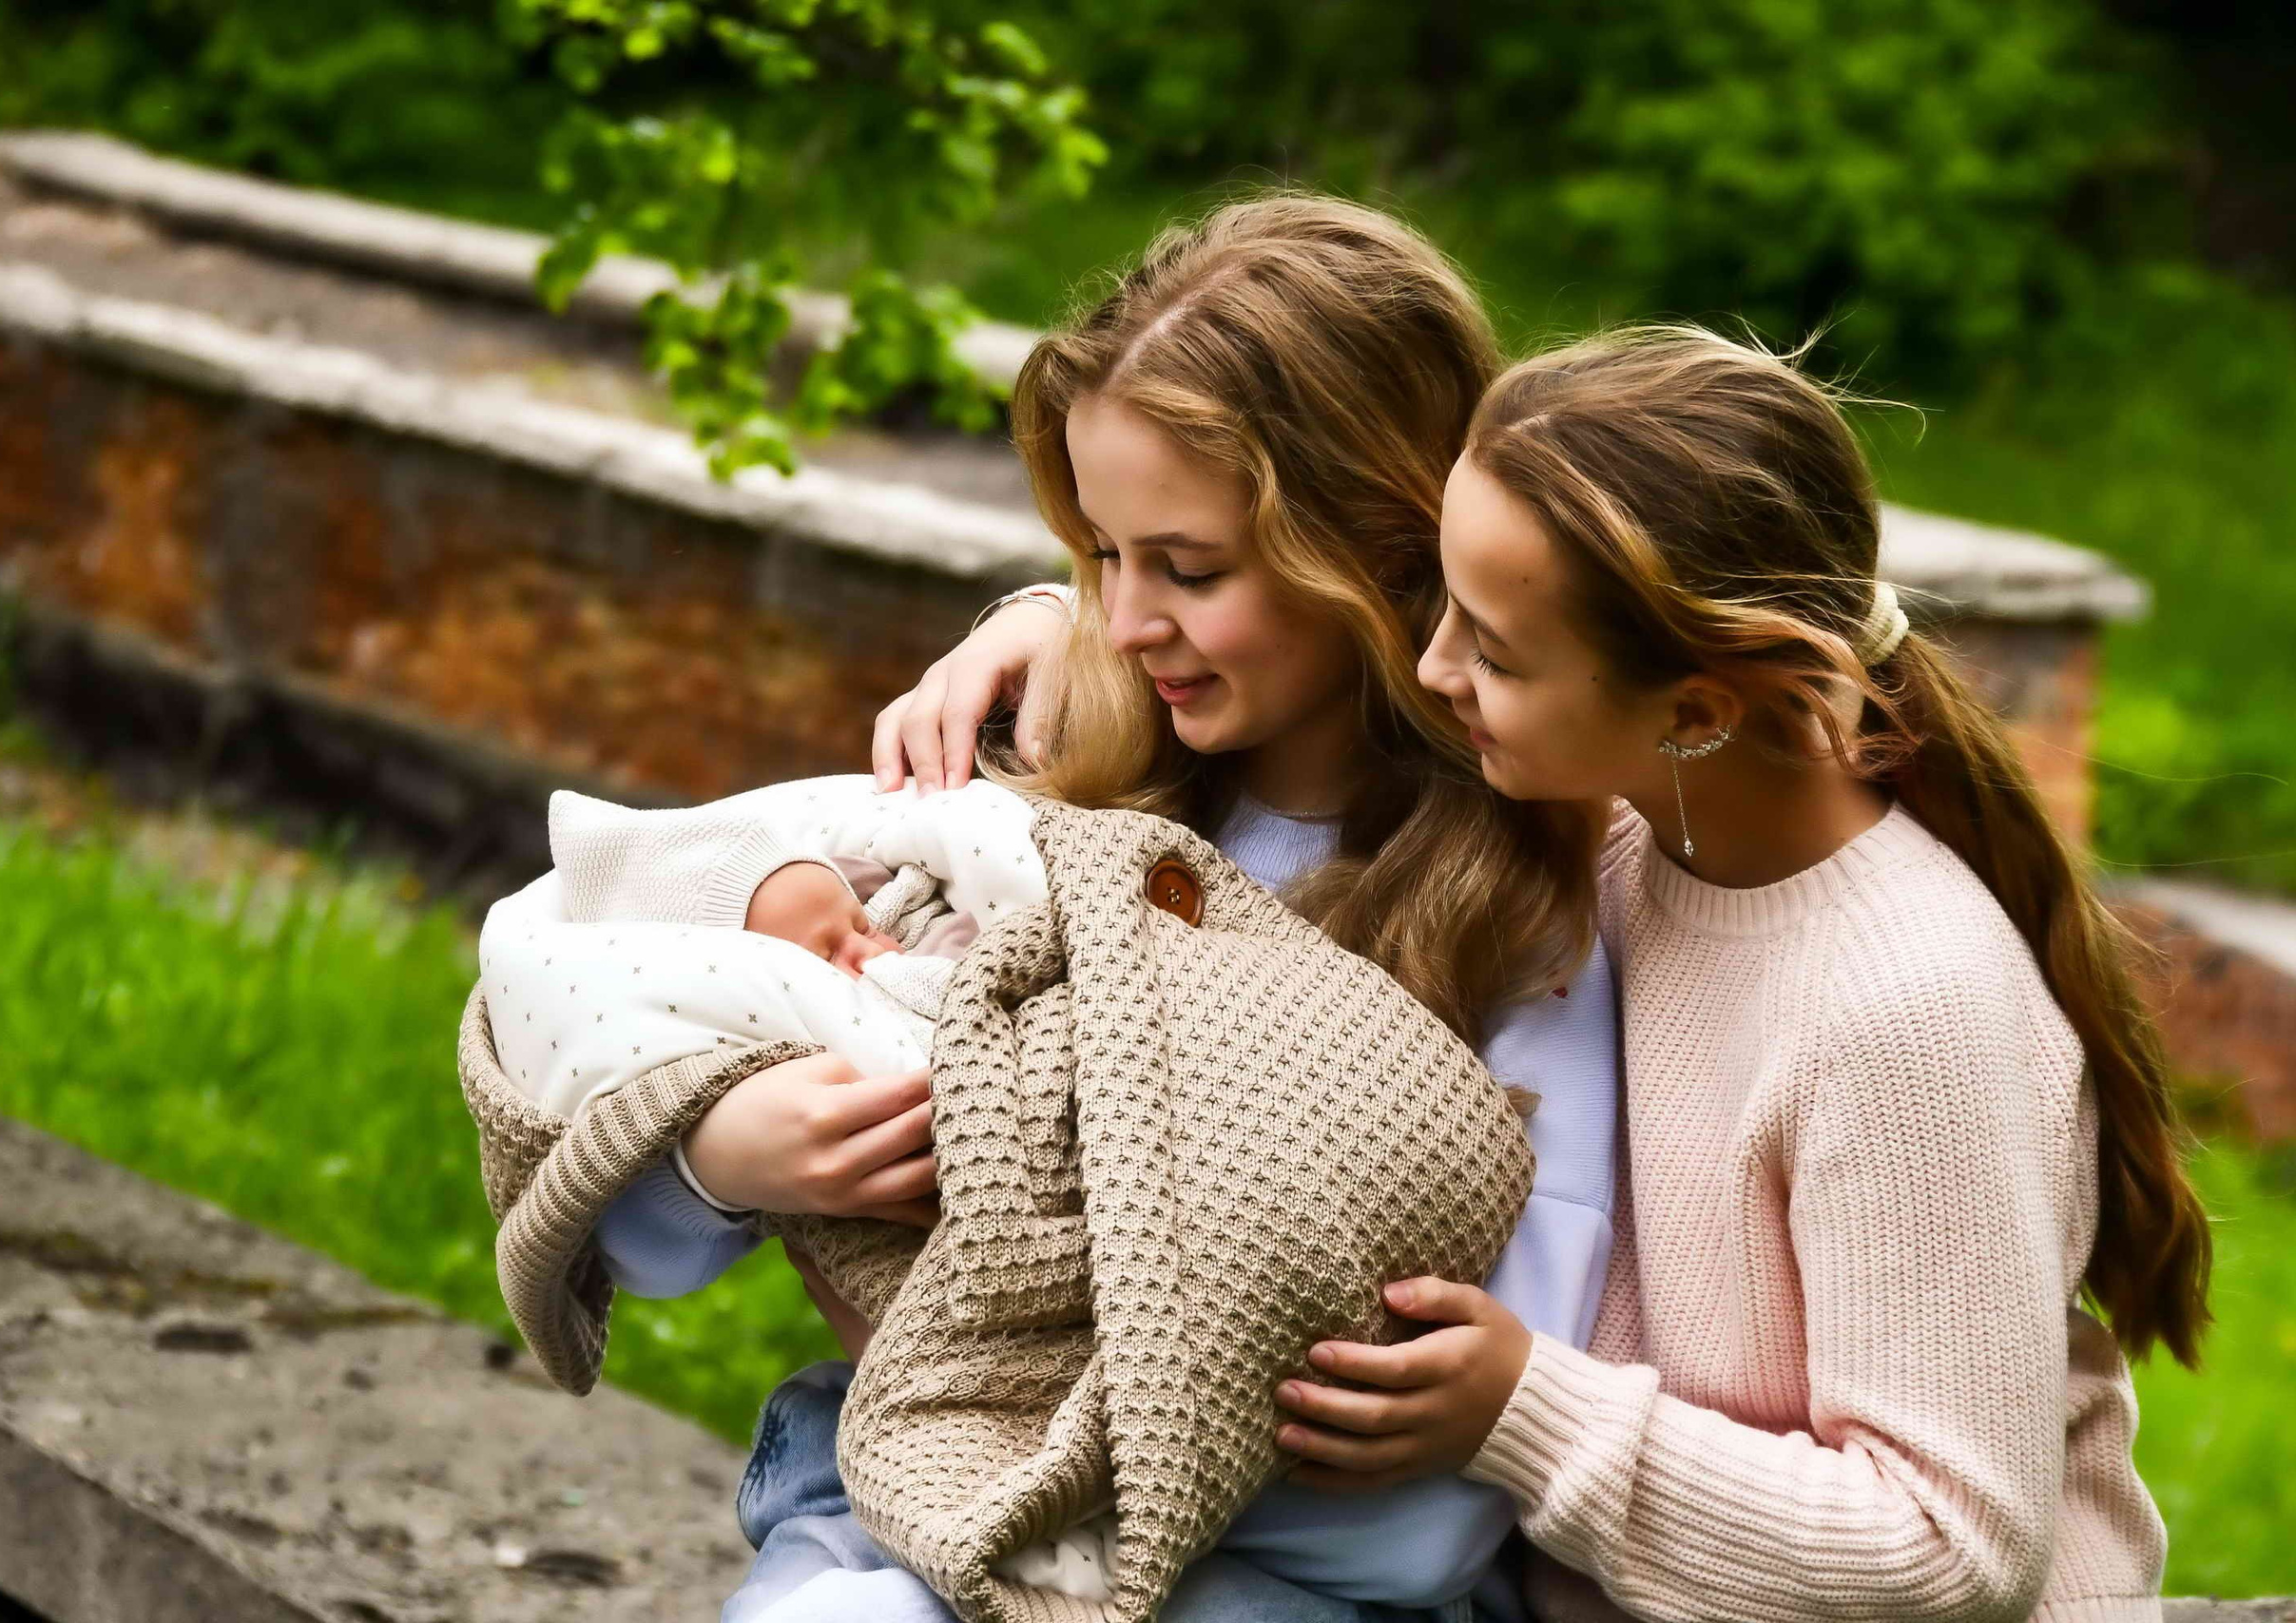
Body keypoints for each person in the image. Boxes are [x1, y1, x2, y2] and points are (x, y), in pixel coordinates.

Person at [588, 194, 1624, 1623]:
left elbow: (1427, 1503)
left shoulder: (1523, 924)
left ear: (1385, 545)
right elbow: (638, 1198)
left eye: (1186, 569)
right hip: (914, 1522)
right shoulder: (1055, 806)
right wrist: (727, 1160)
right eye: (1099, 558)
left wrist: (1024, 1368)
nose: (1124, 623)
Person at [1246, 327, 2207, 1622]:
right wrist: (1039, 642)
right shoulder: (1629, 826)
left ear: (1697, 710)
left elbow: (1951, 1553)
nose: (1436, 671)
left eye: (1497, 651)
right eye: (1445, 611)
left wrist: (1528, 1413)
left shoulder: (1904, 1012)